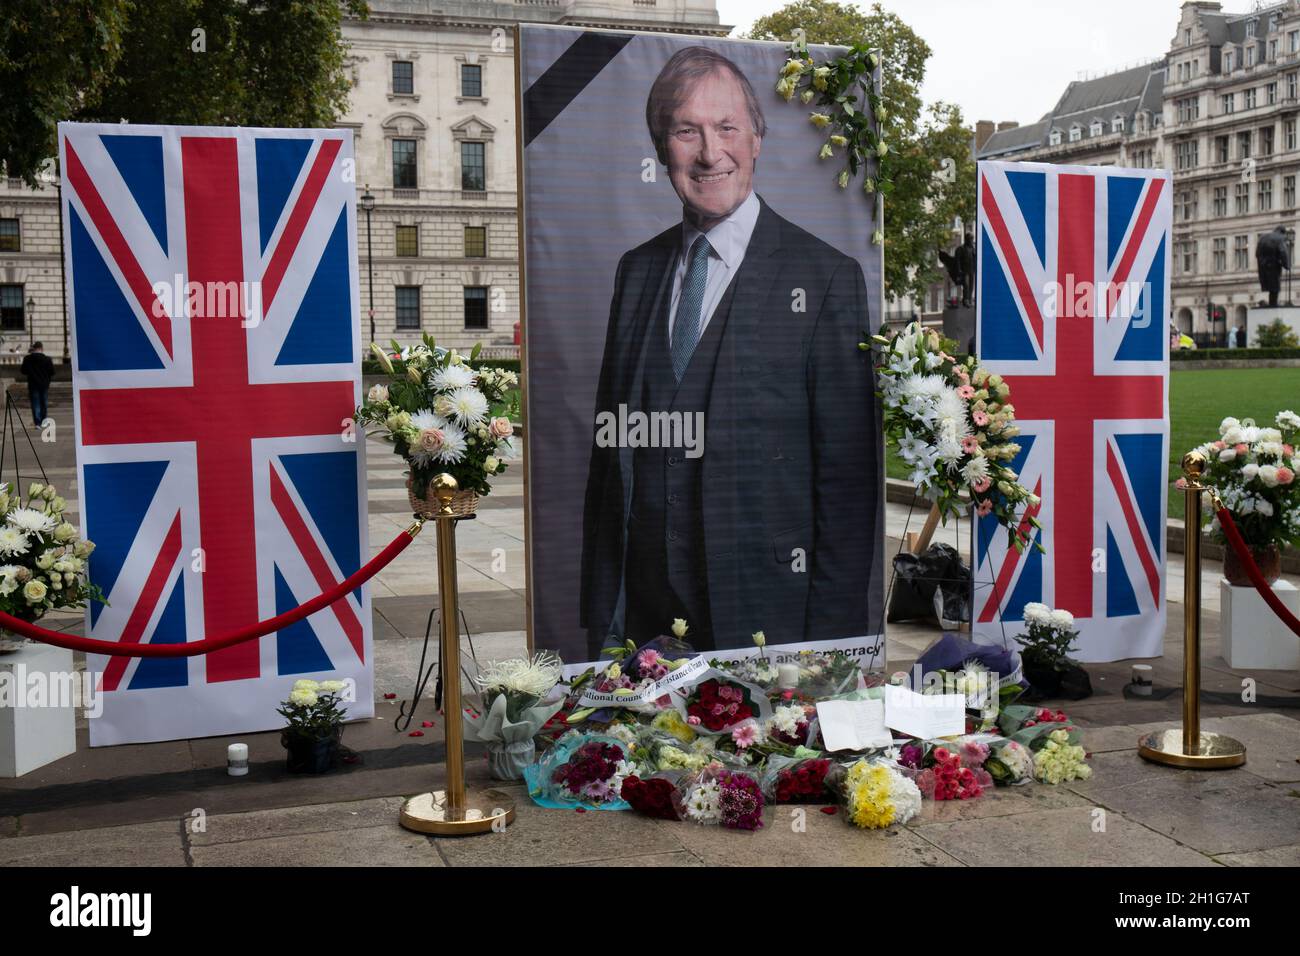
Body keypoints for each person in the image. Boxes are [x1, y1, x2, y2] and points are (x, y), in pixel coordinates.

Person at [580, 46, 879, 657]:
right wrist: (600, 608)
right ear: (663, 148)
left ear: (757, 139)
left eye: (727, 128)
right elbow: (610, 455)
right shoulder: (635, 271)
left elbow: (848, 485)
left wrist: (830, 647)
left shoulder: (825, 277)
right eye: (687, 130)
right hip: (642, 613)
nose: (710, 152)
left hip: (767, 606)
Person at [20, 341, 54, 428]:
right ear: (42, 348)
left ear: (34, 348)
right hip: (44, 384)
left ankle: (37, 423)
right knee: (44, 403)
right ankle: (44, 421)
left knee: (35, 404)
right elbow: (52, 372)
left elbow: (23, 371)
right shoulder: (47, 359)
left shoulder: (27, 359)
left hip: (33, 384)